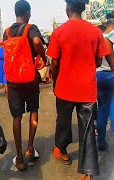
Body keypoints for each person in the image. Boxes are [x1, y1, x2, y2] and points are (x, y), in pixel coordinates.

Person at [47, 0, 110, 179]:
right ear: (83, 9)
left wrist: (55, 78)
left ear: (68, 9)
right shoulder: (95, 31)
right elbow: (99, 61)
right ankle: (88, 174)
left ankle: (62, 151)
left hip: (65, 88)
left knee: (63, 122)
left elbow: (55, 62)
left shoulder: (59, 32)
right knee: (88, 128)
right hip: (87, 89)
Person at [3, 0, 47, 170]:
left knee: (17, 117)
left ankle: (19, 158)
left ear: (16, 13)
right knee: (33, 110)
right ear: (28, 12)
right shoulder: (31, 28)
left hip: (13, 80)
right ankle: (30, 148)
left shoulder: (6, 32)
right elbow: (37, 42)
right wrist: (42, 56)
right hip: (30, 78)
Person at [95, 15, 114, 151]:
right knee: (113, 107)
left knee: (102, 109)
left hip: (97, 75)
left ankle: (101, 140)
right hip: (111, 75)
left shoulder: (97, 37)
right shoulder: (112, 37)